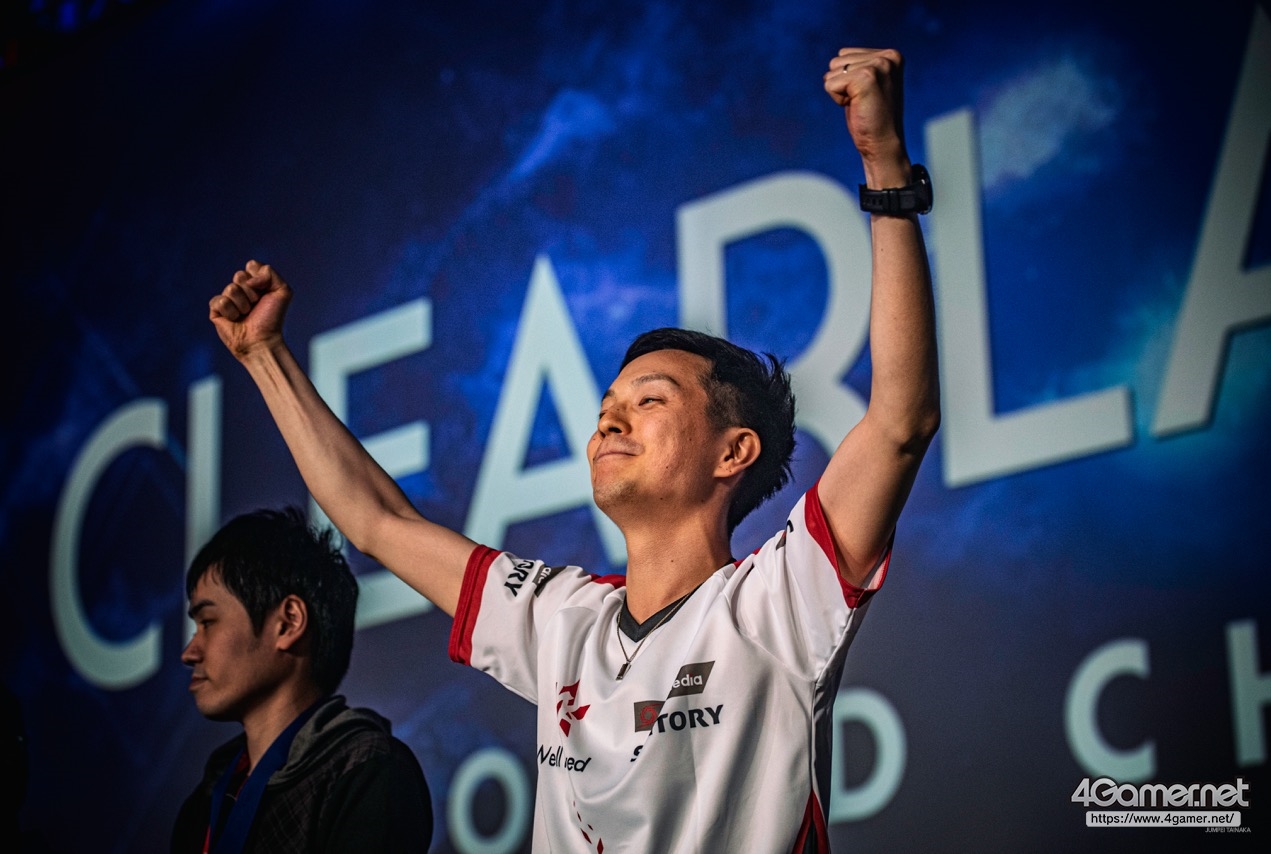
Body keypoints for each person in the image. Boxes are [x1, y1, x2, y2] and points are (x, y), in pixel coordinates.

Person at [208, 46, 938, 852]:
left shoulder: (777, 602)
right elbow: (377, 521)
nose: (610, 424)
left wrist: (884, 167)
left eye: (649, 401)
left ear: (734, 452)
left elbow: (900, 421)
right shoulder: (561, 620)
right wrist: (264, 357)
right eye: (605, 410)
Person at [171, 507, 434, 853]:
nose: (189, 653)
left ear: (288, 623)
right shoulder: (208, 797)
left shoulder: (368, 772)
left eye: (207, 622)